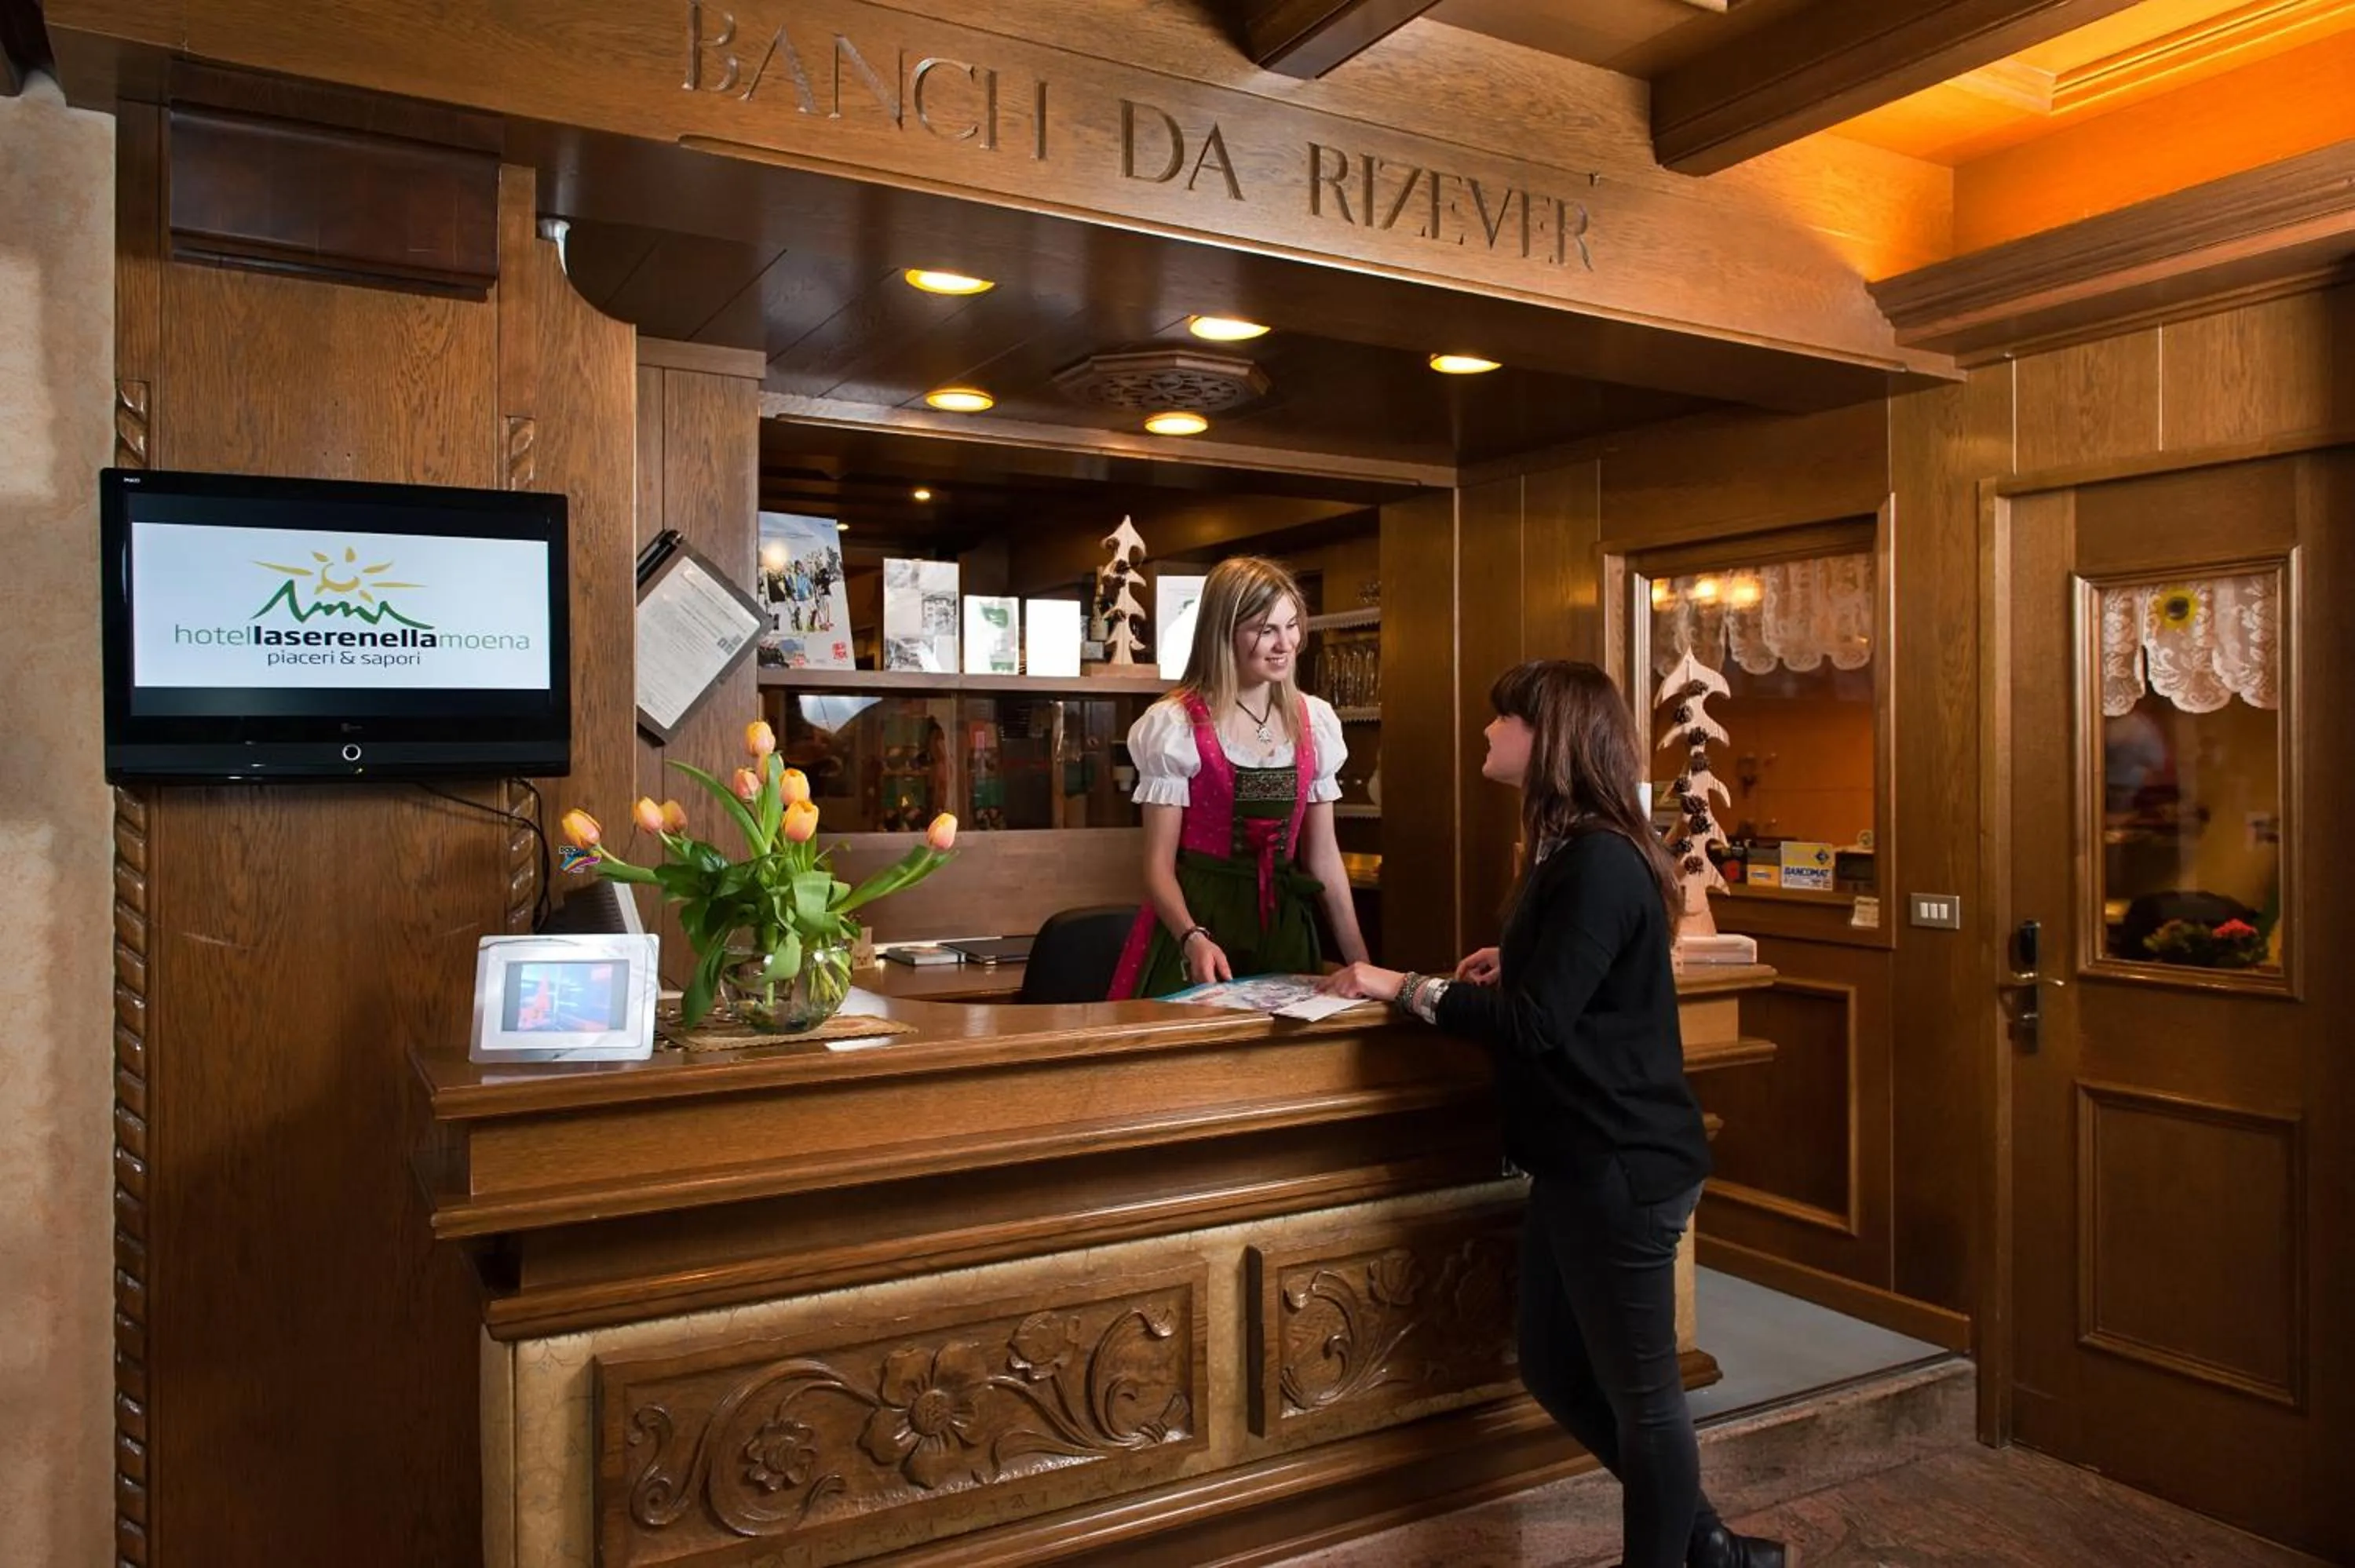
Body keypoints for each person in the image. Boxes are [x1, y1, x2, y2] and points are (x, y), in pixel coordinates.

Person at [1321, 659, 1788, 1568]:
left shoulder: (1601, 859)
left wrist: (1404, 986)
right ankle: (1710, 1549)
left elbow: (1535, 1028)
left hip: (1622, 1167)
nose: (1489, 736)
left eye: (1503, 721)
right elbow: (1573, 983)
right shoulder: (1571, 850)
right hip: (1582, 1163)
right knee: (1550, 1366)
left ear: (1550, 738)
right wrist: (1521, 950)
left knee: (1646, 1399)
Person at [1109, 556, 1369, 997]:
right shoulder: (1175, 724)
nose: (1285, 643)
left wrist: (1363, 963)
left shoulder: (1315, 721)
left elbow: (1324, 858)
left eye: (1291, 626)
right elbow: (1157, 867)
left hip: (1282, 925)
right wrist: (1192, 936)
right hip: (1197, 924)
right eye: (1265, 630)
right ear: (1223, 633)